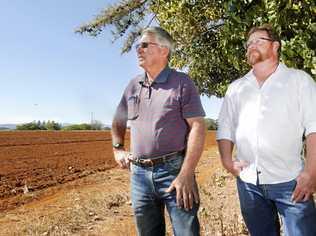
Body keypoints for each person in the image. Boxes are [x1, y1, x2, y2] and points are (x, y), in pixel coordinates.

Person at [217, 24, 316, 236]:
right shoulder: (236, 88)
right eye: (248, 43)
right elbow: (225, 126)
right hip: (249, 183)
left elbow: (314, 128)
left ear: (276, 46)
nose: (251, 45)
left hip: (291, 182)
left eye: (258, 41)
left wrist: (311, 172)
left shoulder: (299, 80)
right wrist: (227, 161)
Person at [111, 26, 206, 236]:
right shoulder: (133, 85)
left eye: (145, 45)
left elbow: (198, 127)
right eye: (138, 45)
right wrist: (118, 148)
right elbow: (118, 119)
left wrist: (186, 173)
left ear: (164, 50)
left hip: (173, 172)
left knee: (186, 232)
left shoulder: (182, 83)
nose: (139, 49)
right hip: (139, 175)